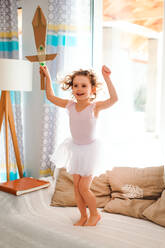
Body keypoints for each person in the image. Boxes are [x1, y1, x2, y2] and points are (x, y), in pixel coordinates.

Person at [40, 65, 118, 226]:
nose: (79, 89)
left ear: (92, 89)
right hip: (75, 149)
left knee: (83, 187)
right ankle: (83, 216)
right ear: (71, 88)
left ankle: (95, 214)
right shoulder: (70, 105)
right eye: (75, 85)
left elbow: (114, 99)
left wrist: (107, 77)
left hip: (91, 151)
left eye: (84, 85)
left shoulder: (94, 107)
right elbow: (50, 96)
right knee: (76, 187)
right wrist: (47, 76)